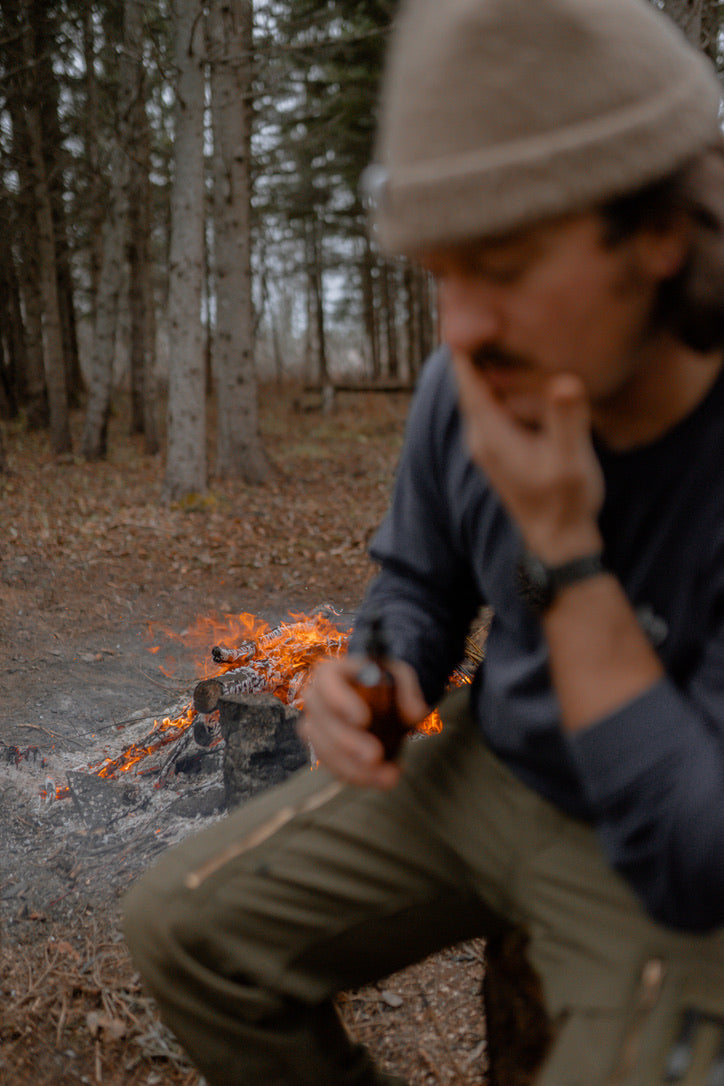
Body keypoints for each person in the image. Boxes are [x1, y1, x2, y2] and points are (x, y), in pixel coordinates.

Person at [123, 1, 724, 1083]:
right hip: (495, 773)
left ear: (660, 233)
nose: (459, 332)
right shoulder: (471, 375)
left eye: (502, 263)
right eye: (442, 274)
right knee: (185, 931)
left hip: (664, 861)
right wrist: (384, 674)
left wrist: (569, 558)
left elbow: (695, 858)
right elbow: (419, 584)